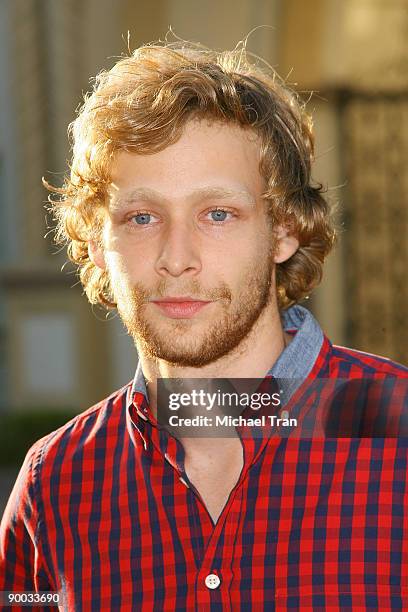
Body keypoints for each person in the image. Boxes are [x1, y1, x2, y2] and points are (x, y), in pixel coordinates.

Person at [1, 40, 407, 611]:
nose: (176, 256)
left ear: (285, 230)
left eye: (217, 214)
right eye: (141, 217)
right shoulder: (54, 485)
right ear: (96, 245)